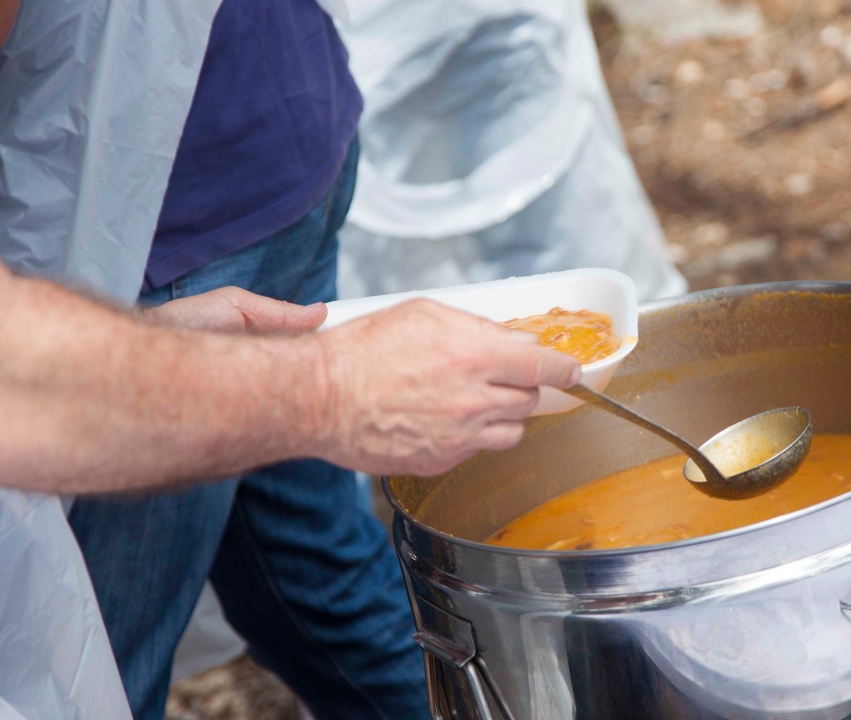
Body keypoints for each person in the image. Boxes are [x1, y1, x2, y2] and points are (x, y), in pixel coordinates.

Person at [0, 256, 580, 716]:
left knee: (323, 575)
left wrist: (167, 344)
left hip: (259, 201)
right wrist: (323, 389)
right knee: (107, 651)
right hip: (218, 226)